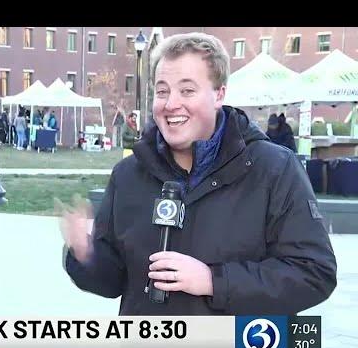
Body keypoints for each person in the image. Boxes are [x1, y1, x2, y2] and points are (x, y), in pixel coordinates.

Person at [60, 32, 336, 315]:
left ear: (219, 94)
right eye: (162, 91)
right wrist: (85, 254)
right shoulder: (128, 175)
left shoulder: (274, 170)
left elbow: (314, 273)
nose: (170, 104)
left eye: (187, 90)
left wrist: (214, 281)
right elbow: (112, 282)